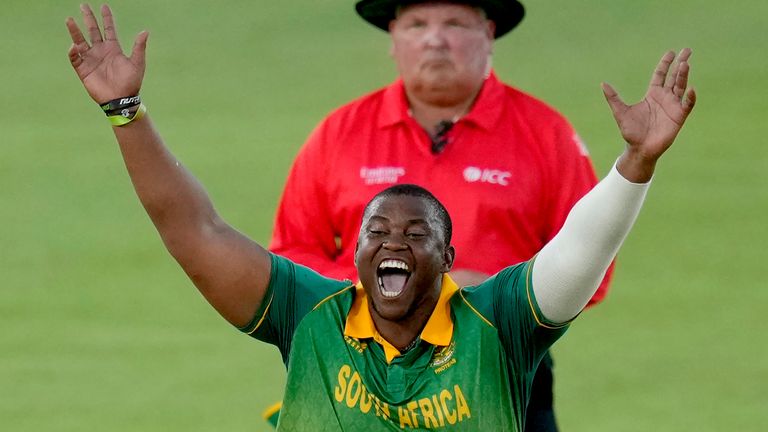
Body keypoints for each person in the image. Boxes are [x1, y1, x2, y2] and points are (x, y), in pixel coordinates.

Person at [65, 3, 696, 431]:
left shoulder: (502, 325)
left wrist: (636, 163)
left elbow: (582, 251)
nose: (393, 244)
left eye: (418, 234)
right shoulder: (311, 313)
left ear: (448, 260)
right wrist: (125, 110)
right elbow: (195, 230)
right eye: (376, 231)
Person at [269, 1, 612, 429]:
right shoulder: (339, 134)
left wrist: (488, 293)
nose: (434, 38)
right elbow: (292, 253)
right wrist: (379, 291)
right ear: (394, 38)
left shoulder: (545, 134)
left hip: (498, 360)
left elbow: (591, 262)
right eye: (416, 25)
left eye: (453, 23)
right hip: (361, 369)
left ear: (488, 34)